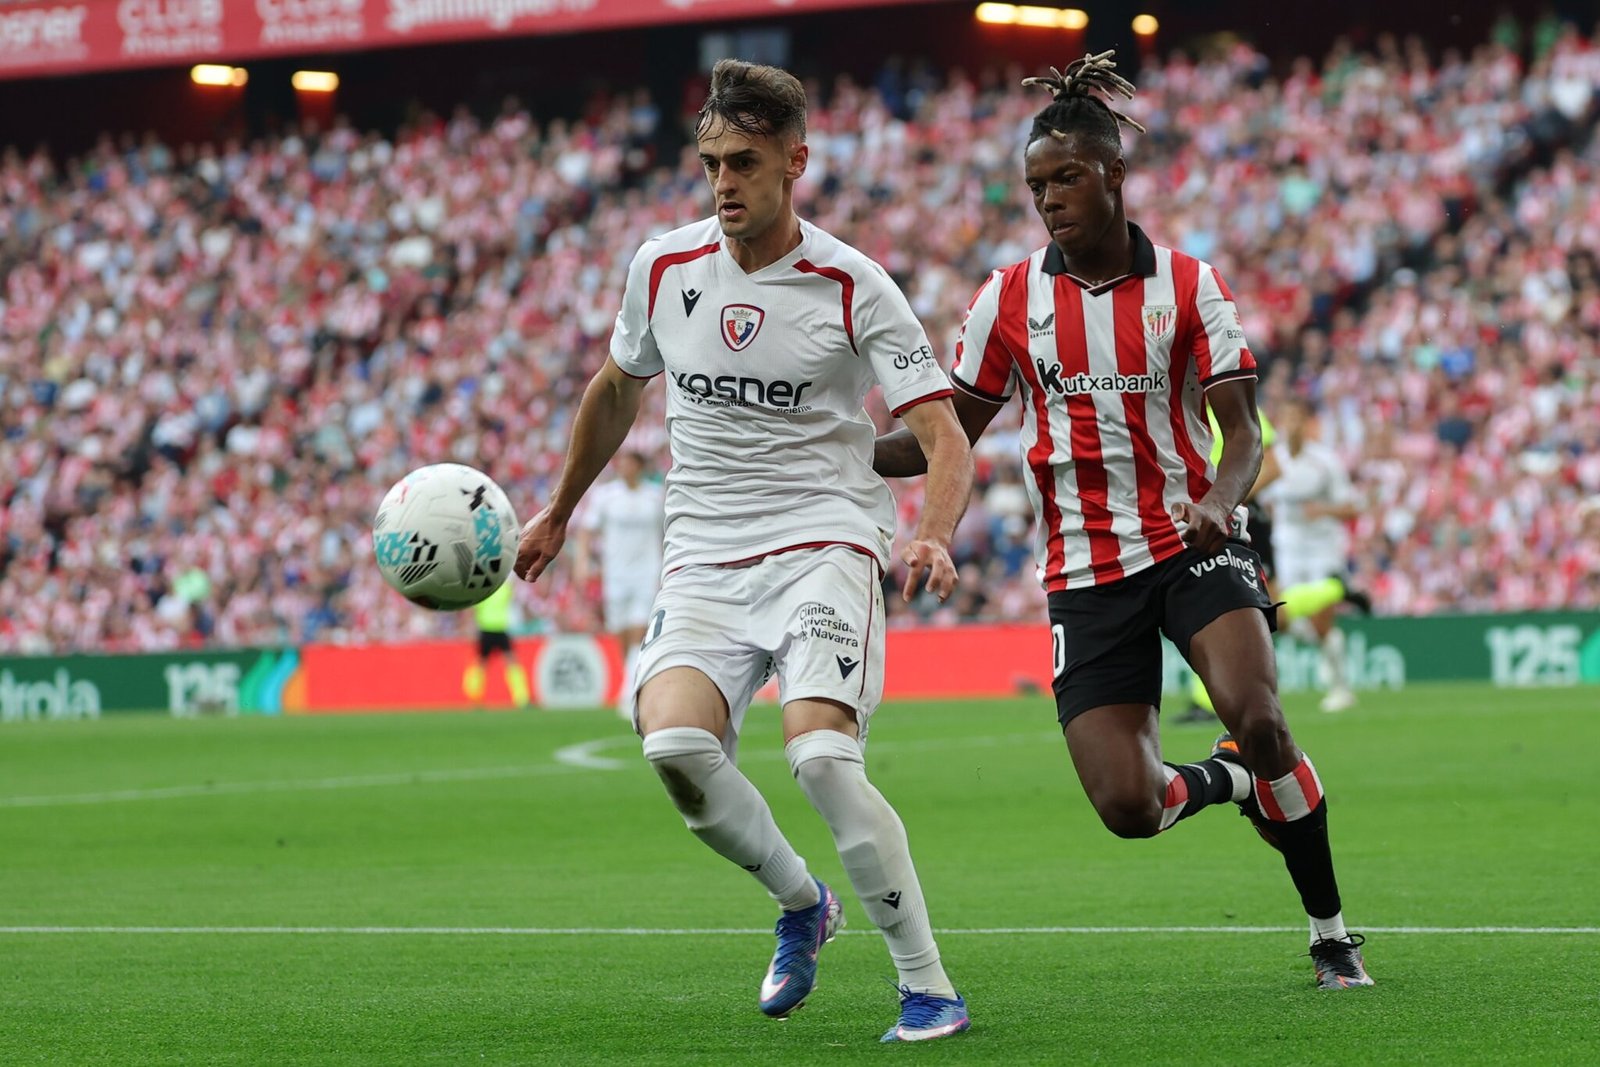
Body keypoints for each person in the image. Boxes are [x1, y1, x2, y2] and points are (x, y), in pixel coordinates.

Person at [874, 51, 1373, 989]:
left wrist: (1221, 502)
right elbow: (947, 438)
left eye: (1066, 178)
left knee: (1262, 716)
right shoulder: (1006, 298)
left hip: (1192, 544)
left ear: (1115, 172)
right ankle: (1231, 780)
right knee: (1128, 807)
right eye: (1036, 185)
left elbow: (1241, 432)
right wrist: (841, 447)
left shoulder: (1189, 284)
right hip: (1084, 571)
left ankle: (1331, 934)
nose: (1049, 199)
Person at [515, 59, 975, 1041]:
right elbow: (615, 388)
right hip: (705, 551)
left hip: (823, 537)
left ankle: (928, 984)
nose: (724, 183)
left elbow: (943, 435)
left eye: (745, 163)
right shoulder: (663, 267)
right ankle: (802, 901)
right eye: (712, 163)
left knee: (820, 756)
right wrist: (557, 510)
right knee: (674, 744)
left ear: (794, 162)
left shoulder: (854, 285)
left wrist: (933, 531)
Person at [1260, 396, 1370, 712]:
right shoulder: (1273, 461)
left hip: (1323, 549)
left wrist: (1322, 510)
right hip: (1287, 551)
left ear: (1308, 424)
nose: (1291, 425)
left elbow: (1352, 508)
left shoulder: (1325, 461)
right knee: (1281, 619)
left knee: (1322, 619)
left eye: (1297, 418)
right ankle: (1328, 649)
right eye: (1286, 418)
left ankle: (1339, 688)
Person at [574, 451, 665, 720]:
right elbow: (586, 530)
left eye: (629, 463)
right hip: (615, 576)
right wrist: (582, 562)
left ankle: (628, 694)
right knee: (621, 633)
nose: (623, 467)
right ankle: (633, 681)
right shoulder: (606, 496)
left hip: (647, 573)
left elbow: (669, 530)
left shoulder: (655, 497)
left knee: (639, 629)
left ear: (639, 467)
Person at [462, 580, 531, 708]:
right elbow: (515, 593)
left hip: (489, 630)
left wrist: (469, 627)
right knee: (509, 662)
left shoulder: (482, 590)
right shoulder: (503, 589)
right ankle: (521, 698)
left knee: (481, 664)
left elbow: (471, 610)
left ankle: (474, 698)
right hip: (496, 629)